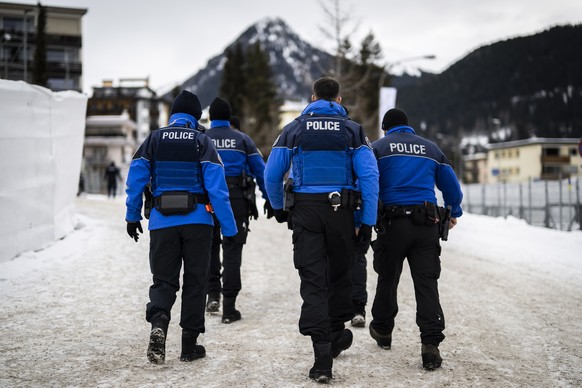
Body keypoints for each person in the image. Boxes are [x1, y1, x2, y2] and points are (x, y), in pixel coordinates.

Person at [264, 77, 379, 383]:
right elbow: (369, 177)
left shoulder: (294, 128)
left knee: (313, 278)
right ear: (339, 100)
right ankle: (335, 332)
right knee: (340, 275)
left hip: (305, 211)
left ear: (312, 97)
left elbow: (271, 173)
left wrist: (278, 207)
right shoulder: (353, 131)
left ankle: (322, 358)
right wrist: (367, 221)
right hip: (341, 212)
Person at [124, 90, 237, 365]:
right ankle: (189, 346)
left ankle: (159, 325)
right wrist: (230, 229)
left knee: (164, 280)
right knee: (196, 282)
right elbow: (218, 191)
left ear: (173, 113)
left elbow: (136, 177)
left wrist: (132, 215)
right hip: (198, 222)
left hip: (162, 222)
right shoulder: (203, 141)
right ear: (197, 116)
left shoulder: (153, 139)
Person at [368, 108, 463, 370]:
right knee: (426, 284)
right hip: (427, 224)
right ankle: (430, 346)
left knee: (388, 279)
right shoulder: (431, 149)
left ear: (386, 128)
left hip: (392, 224)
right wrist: (453, 211)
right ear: (408, 127)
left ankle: (383, 330)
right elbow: (451, 185)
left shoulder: (378, 147)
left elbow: (367, 180)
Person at [204, 97, 273, 323]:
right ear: (229, 116)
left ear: (211, 117)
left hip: (207, 200)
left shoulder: (202, 138)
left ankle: (212, 294)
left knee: (210, 247)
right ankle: (229, 308)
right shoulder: (243, 140)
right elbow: (262, 172)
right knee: (233, 250)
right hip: (237, 199)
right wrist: (271, 200)